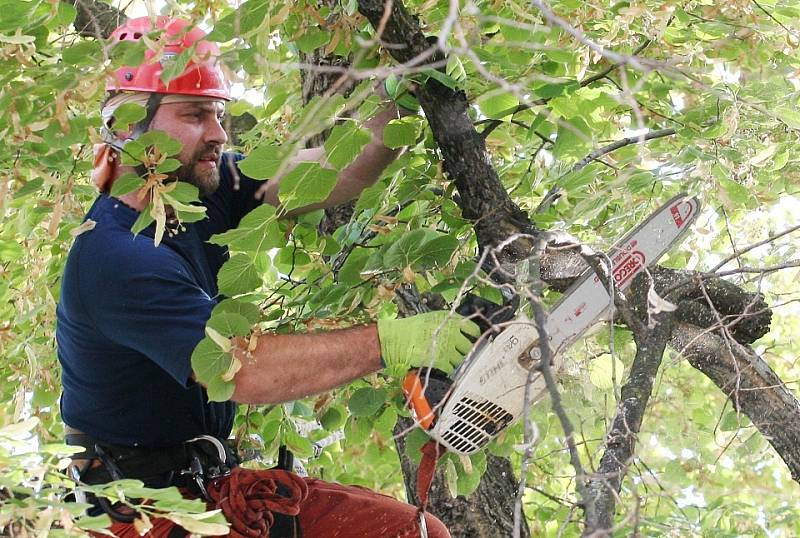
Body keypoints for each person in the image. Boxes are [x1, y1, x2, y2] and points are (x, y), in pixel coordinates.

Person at [56, 16, 479, 538]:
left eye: (217, 114)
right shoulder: (115, 256)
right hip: (140, 515)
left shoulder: (203, 190)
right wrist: (392, 341)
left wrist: (399, 94)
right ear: (126, 126)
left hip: (207, 486)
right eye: (195, 115)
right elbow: (242, 371)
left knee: (415, 532)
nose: (217, 134)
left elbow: (332, 172)